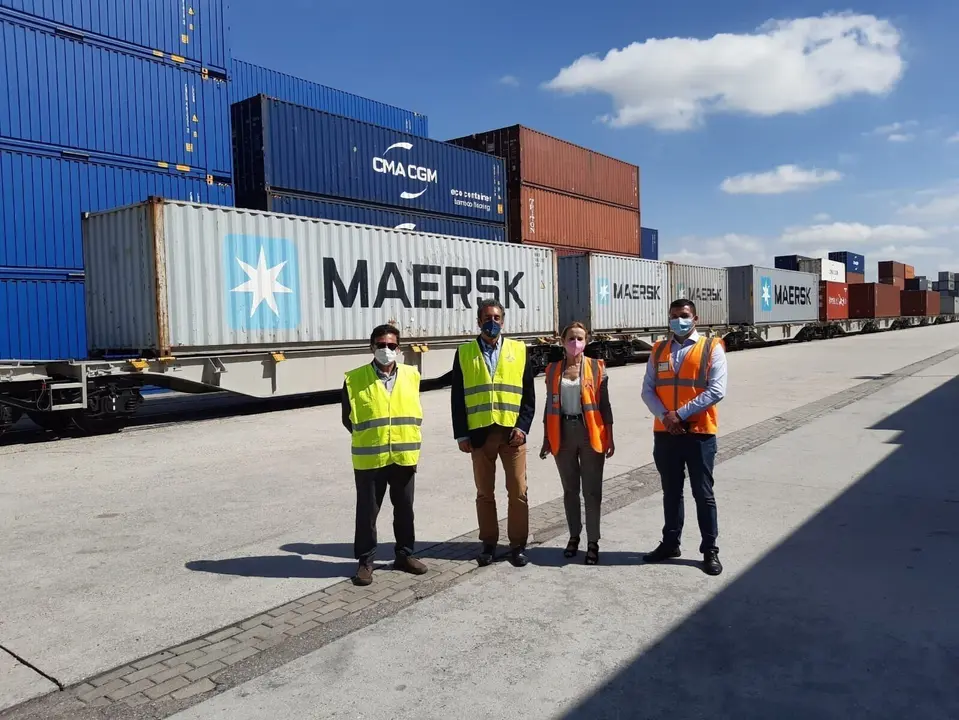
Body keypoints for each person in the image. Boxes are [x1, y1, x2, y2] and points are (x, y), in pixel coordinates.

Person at [640, 299, 727, 576]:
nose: (679, 320)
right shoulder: (659, 349)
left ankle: (710, 550)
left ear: (695, 318)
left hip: (700, 433)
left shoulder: (712, 347)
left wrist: (680, 414)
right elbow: (648, 390)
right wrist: (667, 416)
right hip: (666, 433)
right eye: (674, 316)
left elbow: (717, 390)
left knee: (703, 494)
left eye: (684, 315)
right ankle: (670, 543)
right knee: (671, 492)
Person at [450, 298, 536, 568]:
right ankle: (488, 543)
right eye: (487, 317)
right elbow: (457, 398)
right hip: (479, 435)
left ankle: (517, 545)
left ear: (503, 320)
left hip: (512, 435)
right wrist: (461, 434)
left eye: (496, 317)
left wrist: (523, 427)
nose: (492, 322)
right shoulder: (464, 353)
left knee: (518, 491)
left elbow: (529, 396)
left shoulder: (519, 350)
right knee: (484, 493)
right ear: (478, 321)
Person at [341, 324, 429, 586]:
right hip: (371, 457)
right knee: (367, 512)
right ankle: (366, 562)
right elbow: (348, 419)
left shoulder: (412, 375)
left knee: (404, 510)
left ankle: (404, 555)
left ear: (398, 349)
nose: (386, 350)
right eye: (381, 345)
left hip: (403, 454)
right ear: (372, 347)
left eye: (391, 346)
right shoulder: (354, 379)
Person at [539, 322, 615, 565]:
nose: (576, 343)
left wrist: (610, 437)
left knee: (592, 492)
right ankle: (574, 536)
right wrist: (546, 438)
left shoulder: (596, 367)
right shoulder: (552, 370)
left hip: (590, 433)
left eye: (580, 338)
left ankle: (593, 541)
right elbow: (548, 406)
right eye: (571, 338)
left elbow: (605, 406)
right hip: (562, 433)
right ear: (562, 341)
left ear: (587, 341)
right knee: (570, 491)